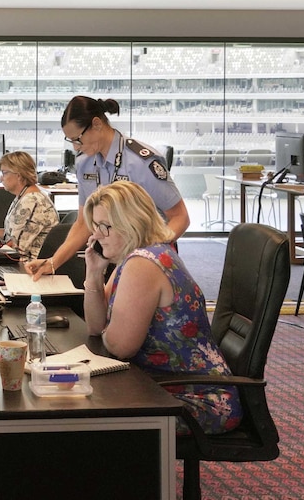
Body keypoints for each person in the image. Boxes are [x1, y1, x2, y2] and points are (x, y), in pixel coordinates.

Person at [81, 181, 241, 435]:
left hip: (196, 398)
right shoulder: (139, 255)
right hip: (164, 385)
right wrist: (94, 274)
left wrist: (109, 329)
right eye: (95, 226)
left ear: (131, 223)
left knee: (85, 416)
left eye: (105, 227)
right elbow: (95, 326)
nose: (96, 236)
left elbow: (120, 347)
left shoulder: (143, 265)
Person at [26, 95, 189, 279]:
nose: (75, 147)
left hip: (148, 257)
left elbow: (180, 218)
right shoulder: (85, 164)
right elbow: (83, 224)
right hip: (113, 254)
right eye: (70, 141)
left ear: (96, 124)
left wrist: (145, 256)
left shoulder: (141, 161)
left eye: (78, 139)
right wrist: (53, 263)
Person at [0, 150, 59, 260]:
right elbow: (11, 235)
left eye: (4, 173)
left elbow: (15, 248)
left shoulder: (31, 202)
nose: (1, 178)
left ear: (18, 175)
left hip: (27, 266)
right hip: (21, 260)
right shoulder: (23, 196)